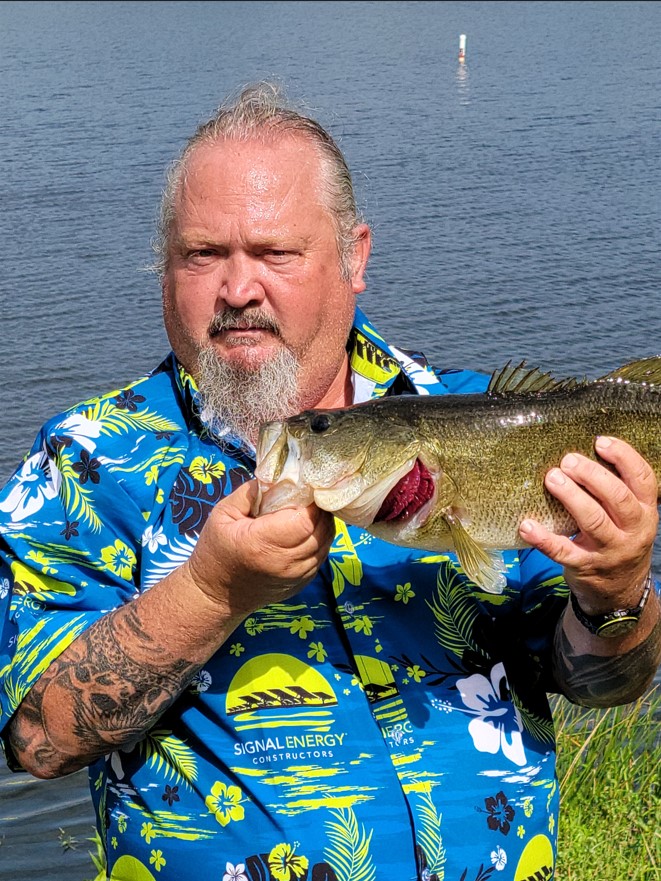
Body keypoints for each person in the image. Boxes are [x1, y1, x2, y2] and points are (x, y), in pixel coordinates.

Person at [0, 81, 659, 881]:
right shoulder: (87, 461)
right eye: (202, 254)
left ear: (354, 258)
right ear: (164, 268)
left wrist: (615, 592)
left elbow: (602, 682)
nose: (237, 290)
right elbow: (40, 737)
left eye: (275, 253)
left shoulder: (486, 417)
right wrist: (210, 591)